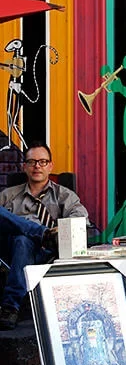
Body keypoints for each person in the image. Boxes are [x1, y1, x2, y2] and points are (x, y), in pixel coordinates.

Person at [0, 140, 88, 330]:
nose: (37, 166)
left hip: (46, 251)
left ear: (50, 165)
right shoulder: (9, 195)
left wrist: (58, 230)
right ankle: (41, 232)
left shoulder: (64, 195)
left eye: (42, 161)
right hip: (9, 251)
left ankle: (9, 307)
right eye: (32, 162)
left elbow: (81, 219)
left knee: (23, 241)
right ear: (25, 166)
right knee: (21, 238)